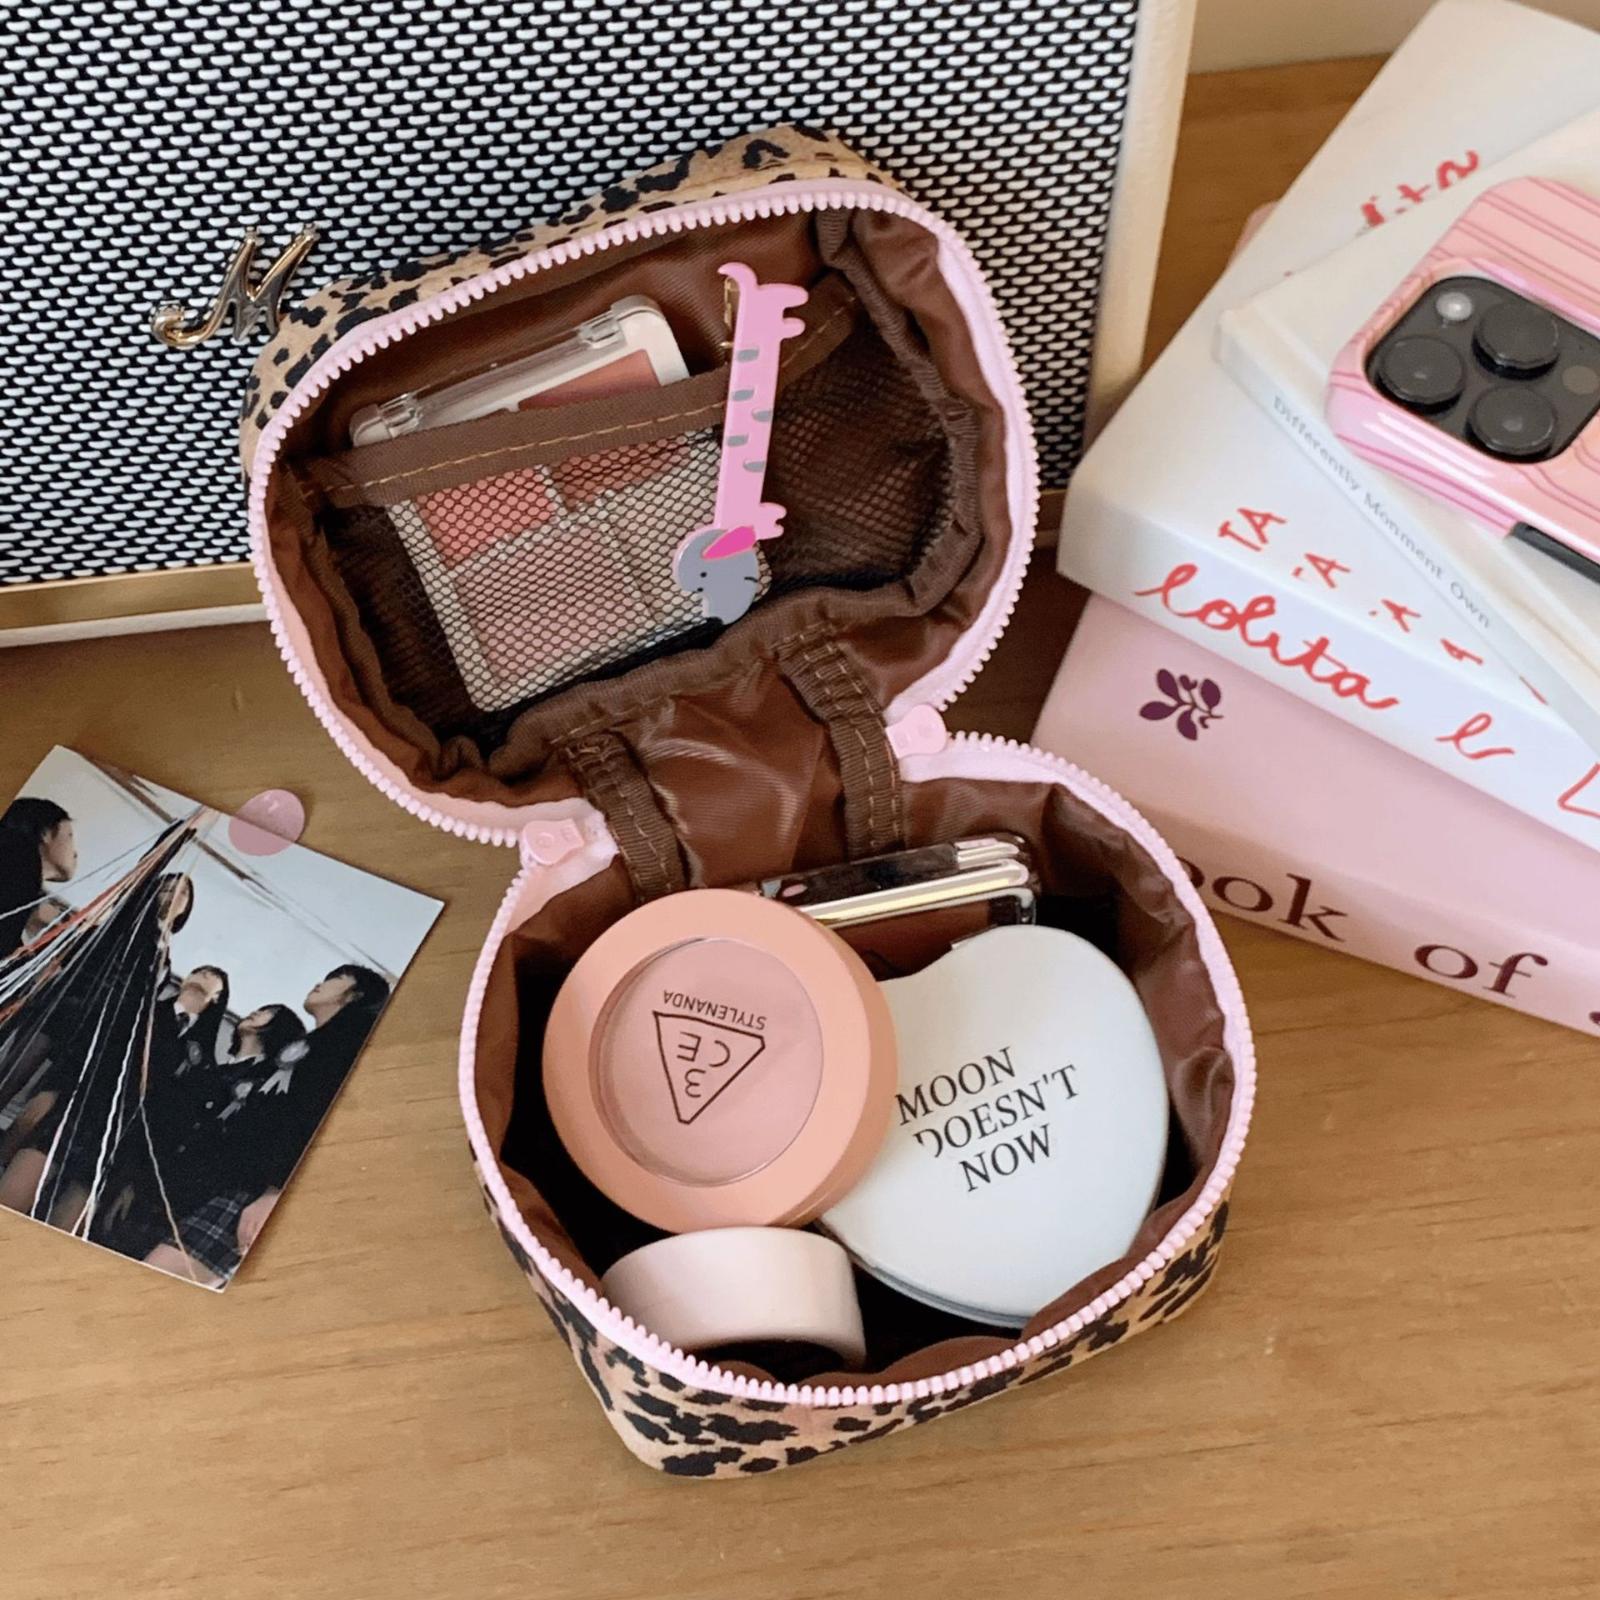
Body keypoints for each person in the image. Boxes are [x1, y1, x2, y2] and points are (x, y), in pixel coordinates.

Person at [143, 964, 390, 1282]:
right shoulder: (312, 1047)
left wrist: (275, 1193)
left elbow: (315, 1120)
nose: (320, 983)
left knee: (157, 1279)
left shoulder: (346, 1045)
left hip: (256, 1193)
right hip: (236, 1186)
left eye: (335, 979)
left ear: (355, 995)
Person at [0, 869, 193, 1227]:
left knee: (44, 1103)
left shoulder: (166, 953)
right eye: (167, 887)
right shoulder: (130, 919)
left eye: (182, 893)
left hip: (101, 1036)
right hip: (72, 1008)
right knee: (14, 1079)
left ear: (186, 909)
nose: (173, 894)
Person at [141, 1003, 308, 1286]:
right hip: (166, 1189)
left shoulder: (273, 1082)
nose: (257, 1012)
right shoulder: (211, 1069)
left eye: (269, 1012)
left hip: (214, 1196)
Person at [0, 799, 76, 959]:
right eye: (69, 836)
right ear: (46, 833)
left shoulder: (26, 887)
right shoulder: (18, 870)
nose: (75, 853)